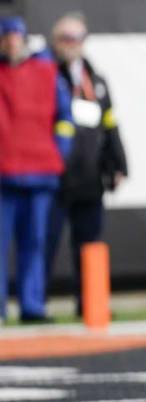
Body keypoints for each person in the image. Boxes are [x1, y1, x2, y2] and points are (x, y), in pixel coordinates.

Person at [44, 13, 127, 317]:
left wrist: (118, 165)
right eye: (65, 38)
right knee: (45, 242)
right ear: (55, 41)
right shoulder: (46, 75)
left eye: (77, 38)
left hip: (89, 176)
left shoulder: (96, 79)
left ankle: (89, 304)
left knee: (89, 243)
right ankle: (36, 304)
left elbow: (110, 125)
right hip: (53, 176)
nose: (71, 44)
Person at [0, 16, 73, 323]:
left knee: (36, 243)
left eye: (16, 36)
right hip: (5, 175)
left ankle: (33, 306)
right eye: (7, 37)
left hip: (40, 174)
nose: (12, 42)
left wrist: (58, 154)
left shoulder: (46, 73)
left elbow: (65, 119)